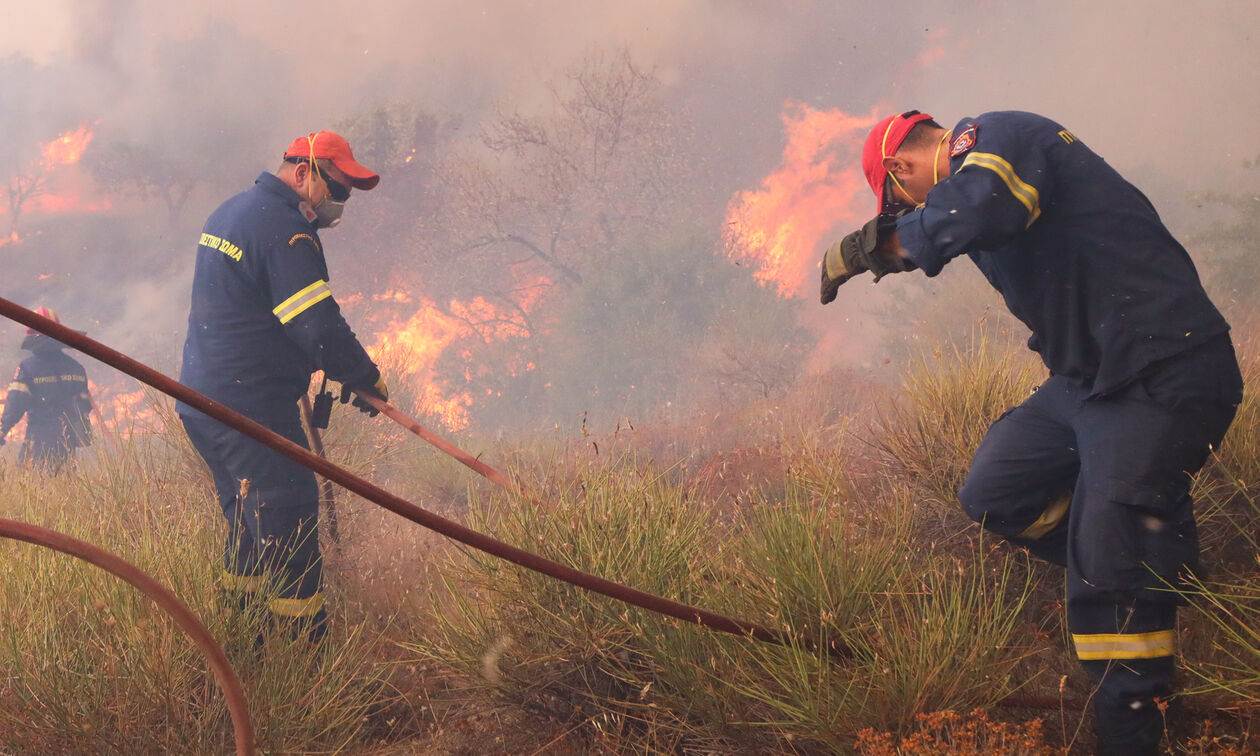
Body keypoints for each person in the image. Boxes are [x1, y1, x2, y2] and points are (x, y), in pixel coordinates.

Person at [821, 110, 1242, 755]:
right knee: (997, 492)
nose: (909, 212)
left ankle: (1140, 727)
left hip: (1162, 373)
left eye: (901, 202)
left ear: (902, 170)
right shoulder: (974, 192)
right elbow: (965, 221)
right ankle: (1140, 555)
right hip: (1087, 383)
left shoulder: (998, 140)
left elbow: (981, 208)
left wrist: (871, 247)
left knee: (1106, 583)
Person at [177, 130, 389, 644]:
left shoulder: (231, 212)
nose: (340, 203)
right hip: (249, 408)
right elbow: (315, 322)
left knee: (250, 523)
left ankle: (242, 645)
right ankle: (302, 661)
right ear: (302, 172)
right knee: (289, 516)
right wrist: (364, 377)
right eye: (336, 188)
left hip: (204, 401)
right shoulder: (286, 230)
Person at [0, 306, 93, 474]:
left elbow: (15, 404)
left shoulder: (27, 368)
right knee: (65, 485)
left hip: (39, 438)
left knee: (32, 486)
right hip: (68, 440)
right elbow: (85, 406)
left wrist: (2, 430)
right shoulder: (76, 368)